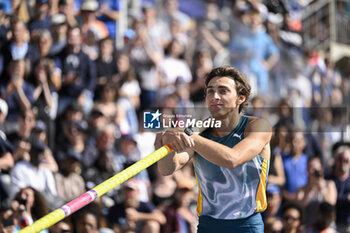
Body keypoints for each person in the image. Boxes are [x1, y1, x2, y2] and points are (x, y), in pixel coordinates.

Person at [155, 66, 272, 232]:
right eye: (210, 91)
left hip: (246, 225)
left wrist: (192, 138)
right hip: (209, 225)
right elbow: (168, 168)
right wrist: (164, 141)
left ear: (240, 98)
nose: (214, 97)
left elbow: (233, 159)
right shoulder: (199, 130)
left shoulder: (258, 126)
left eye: (223, 91)